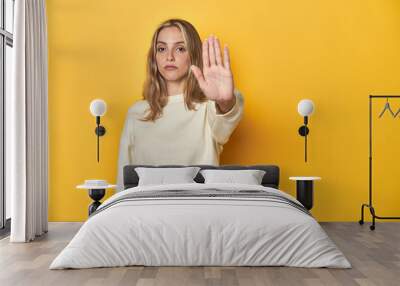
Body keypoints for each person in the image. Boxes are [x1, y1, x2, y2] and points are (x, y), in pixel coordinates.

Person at [116, 18, 244, 192]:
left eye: (180, 48)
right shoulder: (137, 113)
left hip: (197, 208)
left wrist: (223, 100)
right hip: (147, 211)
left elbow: (227, 113)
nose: (169, 57)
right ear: (154, 57)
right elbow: (123, 180)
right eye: (161, 49)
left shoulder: (209, 107)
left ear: (193, 55)